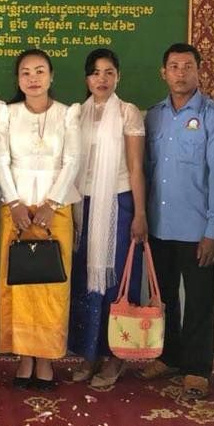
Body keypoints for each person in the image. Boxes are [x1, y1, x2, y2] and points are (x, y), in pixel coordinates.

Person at [138, 43, 214, 400]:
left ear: (199, 71)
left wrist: (213, 231)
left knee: (199, 302)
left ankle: (196, 369)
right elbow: (147, 172)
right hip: (159, 226)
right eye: (174, 66)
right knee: (163, 298)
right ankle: (169, 357)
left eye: (187, 66)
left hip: (198, 230)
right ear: (163, 73)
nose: (180, 73)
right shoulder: (154, 116)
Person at [0, 49, 80, 389]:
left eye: (40, 71)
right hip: (14, 210)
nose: (33, 78)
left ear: (51, 76)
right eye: (26, 72)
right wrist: (14, 202)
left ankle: (45, 359)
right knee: (19, 285)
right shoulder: (7, 113)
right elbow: (0, 159)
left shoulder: (67, 114)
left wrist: (51, 203)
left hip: (55, 211)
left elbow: (72, 160)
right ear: (18, 79)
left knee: (51, 285)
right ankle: (24, 358)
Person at [68, 48, 147, 389]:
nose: (102, 79)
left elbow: (136, 168)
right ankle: (90, 354)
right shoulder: (76, 113)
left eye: (109, 72)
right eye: (96, 72)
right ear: (87, 79)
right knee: (87, 281)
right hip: (83, 205)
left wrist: (140, 213)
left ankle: (116, 356)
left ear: (118, 77)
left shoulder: (128, 113)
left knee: (117, 281)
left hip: (119, 204)